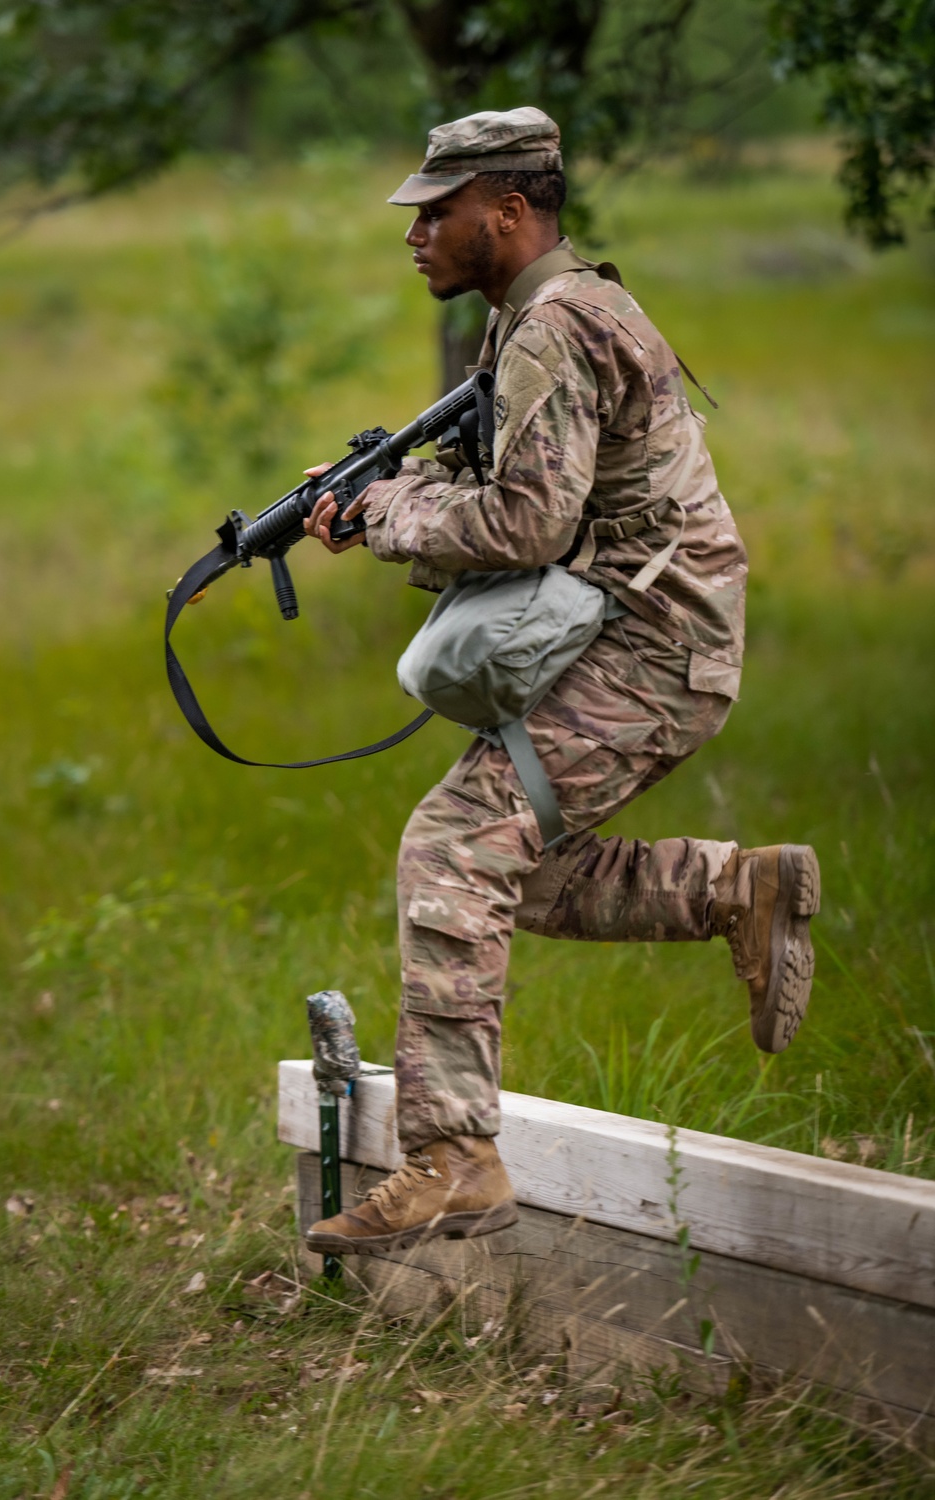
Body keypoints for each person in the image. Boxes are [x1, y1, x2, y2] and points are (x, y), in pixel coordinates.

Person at [301, 107, 820, 1255]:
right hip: (652, 630)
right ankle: (735, 892)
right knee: (493, 881)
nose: (415, 231)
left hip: (653, 643)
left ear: (509, 209)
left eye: (436, 210)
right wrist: (392, 495)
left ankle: (452, 1159)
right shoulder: (544, 313)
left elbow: (528, 521)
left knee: (449, 852)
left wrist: (391, 513)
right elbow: (541, 495)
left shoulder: (551, 326)